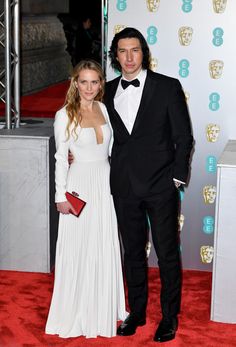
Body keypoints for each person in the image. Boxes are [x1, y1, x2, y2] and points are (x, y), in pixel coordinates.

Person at [104, 27, 194, 342]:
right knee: (132, 253)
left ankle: (169, 317)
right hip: (124, 185)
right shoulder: (105, 90)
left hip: (160, 184)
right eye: (122, 51)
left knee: (167, 252)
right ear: (115, 56)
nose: (129, 57)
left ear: (144, 53)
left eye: (135, 50)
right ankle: (138, 312)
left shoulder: (167, 87)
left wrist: (176, 176)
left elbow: (183, 136)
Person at [45, 59, 127, 338]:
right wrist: (59, 196)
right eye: (84, 81)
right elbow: (60, 158)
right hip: (79, 185)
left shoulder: (104, 108)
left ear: (100, 84)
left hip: (105, 184)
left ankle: (105, 305)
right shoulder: (64, 114)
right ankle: (77, 310)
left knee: (103, 242)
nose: (89, 87)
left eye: (95, 81)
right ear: (75, 83)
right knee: (79, 246)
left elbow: (112, 150)